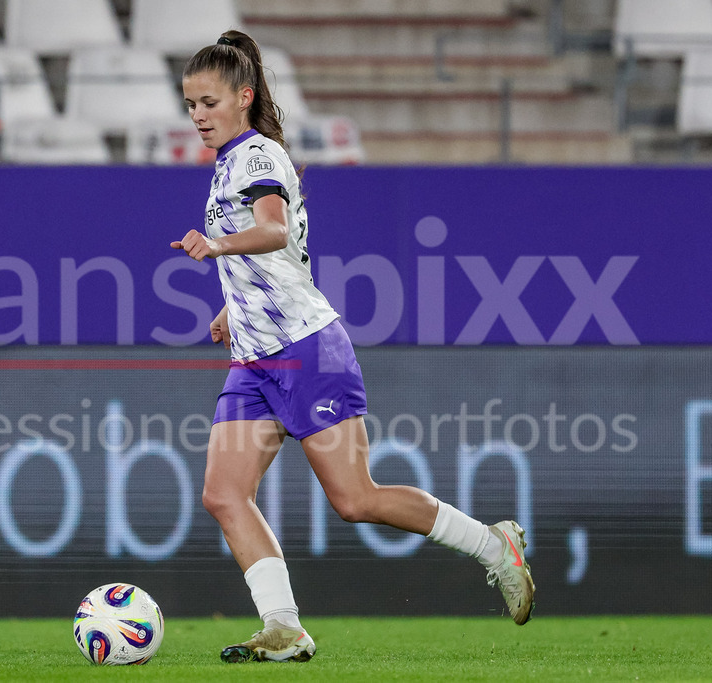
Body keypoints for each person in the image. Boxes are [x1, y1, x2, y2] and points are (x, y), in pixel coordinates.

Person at [171, 30, 535, 664]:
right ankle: (283, 626)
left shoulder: (255, 157)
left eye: (208, 102)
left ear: (243, 97)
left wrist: (217, 245)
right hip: (258, 362)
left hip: (309, 351)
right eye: (191, 105)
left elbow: (271, 228)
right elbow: (287, 256)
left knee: (355, 499)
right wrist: (234, 306)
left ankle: (491, 545)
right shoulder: (234, 162)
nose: (198, 116)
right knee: (223, 494)